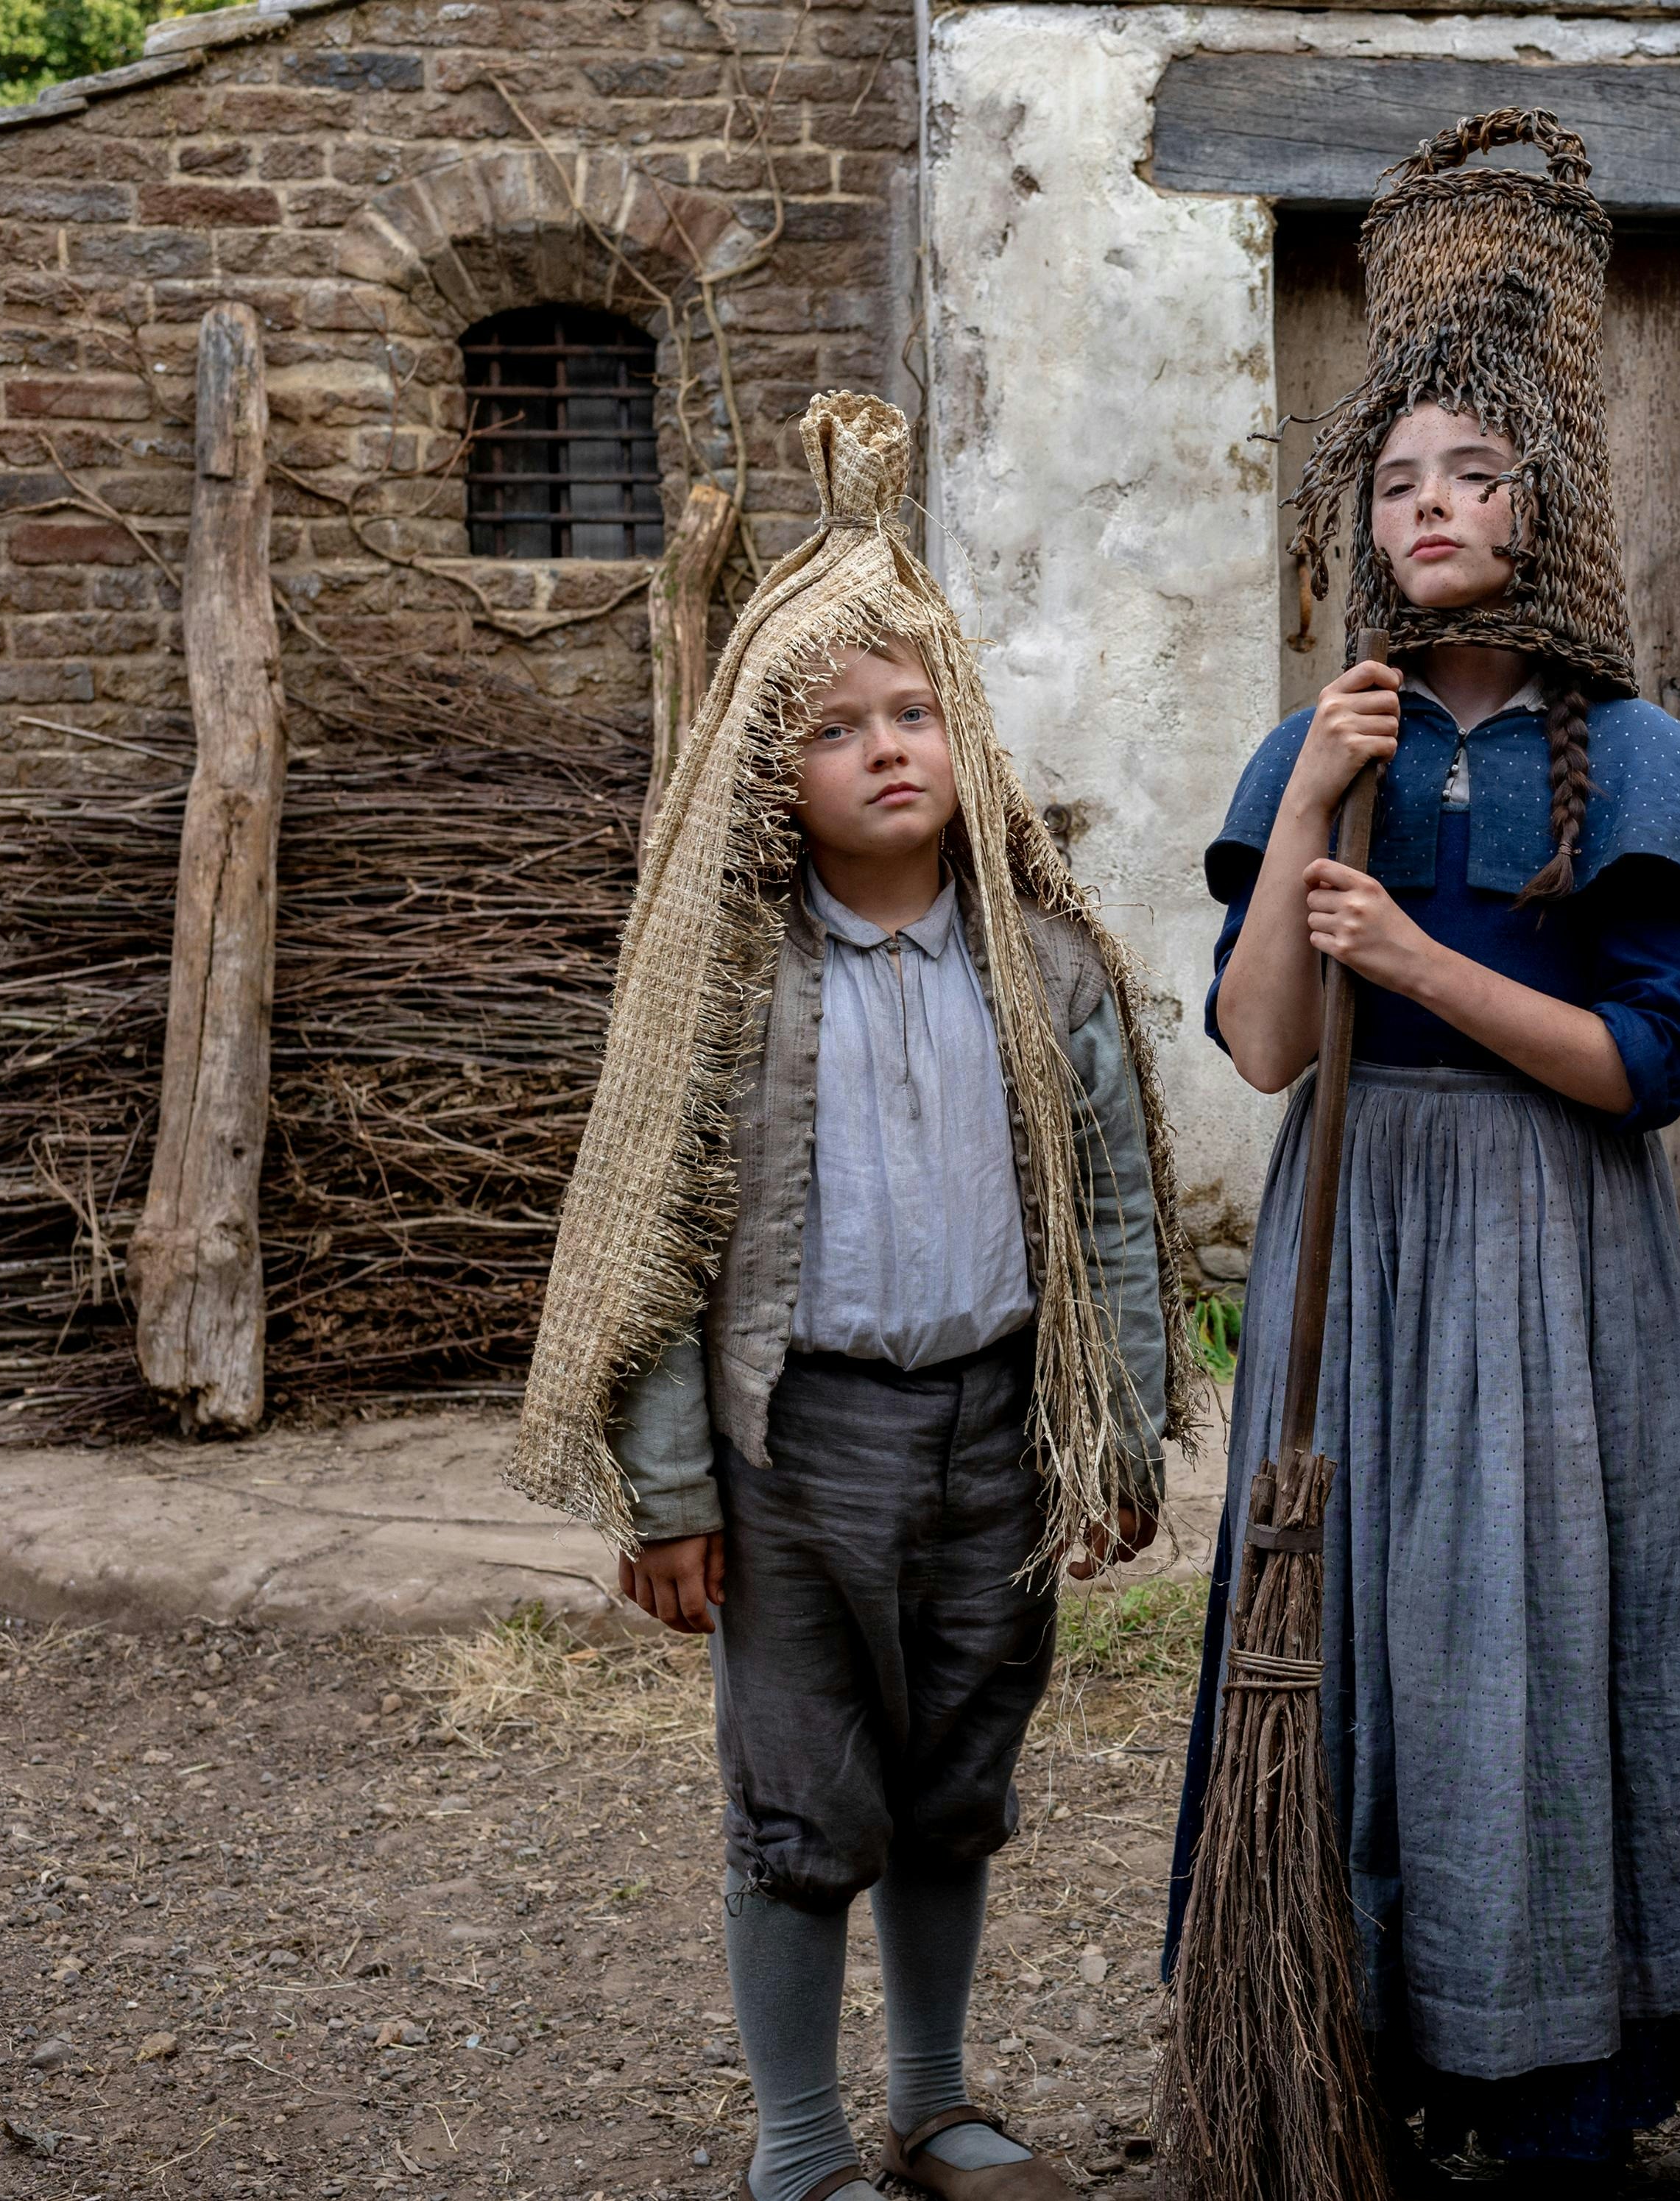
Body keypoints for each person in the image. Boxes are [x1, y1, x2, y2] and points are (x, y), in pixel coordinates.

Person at [513, 392, 1205, 2201]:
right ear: (771, 768)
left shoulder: (1045, 963)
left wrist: (1118, 1429)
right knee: (803, 1797)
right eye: (834, 728)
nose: (886, 750)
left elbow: (1113, 1218)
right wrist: (669, 1487)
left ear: (963, 729)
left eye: (913, 713)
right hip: (797, 1449)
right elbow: (661, 1240)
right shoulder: (729, 987)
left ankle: (933, 2100)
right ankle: (801, 2144)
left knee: (956, 1780)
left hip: (994, 1431)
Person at [1164, 108, 1680, 2178]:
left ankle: (1553, 2068)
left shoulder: (1643, 760)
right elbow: (1261, 1049)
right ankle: (1354, 2046)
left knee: (1537, 1620)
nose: (1428, 505)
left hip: (1548, 1230)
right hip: (1353, 1231)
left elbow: (1647, 1069)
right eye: (1397, 479)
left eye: (1471, 472)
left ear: (1545, 505)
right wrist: (1314, 809)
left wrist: (1419, 955)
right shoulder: (1318, 744)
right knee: (1361, 1634)